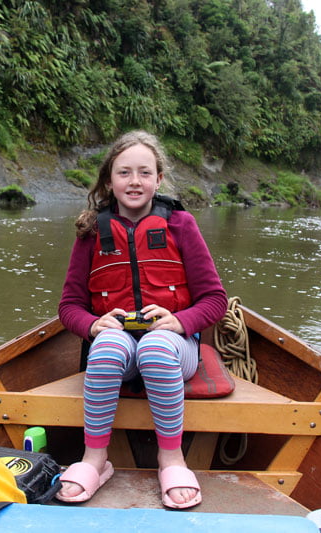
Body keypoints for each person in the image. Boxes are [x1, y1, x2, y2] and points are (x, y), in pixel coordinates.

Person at [56, 130, 227, 509]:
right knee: (106, 346)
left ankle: (172, 460)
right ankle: (94, 461)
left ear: (159, 179)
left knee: (154, 345)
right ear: (108, 180)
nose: (135, 182)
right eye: (124, 173)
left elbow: (215, 301)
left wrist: (181, 322)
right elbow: (69, 307)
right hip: (117, 355)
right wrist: (93, 325)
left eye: (145, 173)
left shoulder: (181, 224)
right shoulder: (90, 231)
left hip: (170, 349)